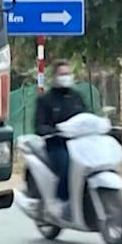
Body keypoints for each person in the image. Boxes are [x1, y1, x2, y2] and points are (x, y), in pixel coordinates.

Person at [35, 60, 88, 202]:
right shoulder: (46, 100)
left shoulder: (77, 97)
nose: (66, 77)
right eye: (62, 74)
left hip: (79, 144)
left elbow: (87, 118)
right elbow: (39, 126)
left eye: (68, 74)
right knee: (66, 165)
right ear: (54, 77)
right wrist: (54, 131)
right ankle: (62, 201)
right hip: (57, 144)